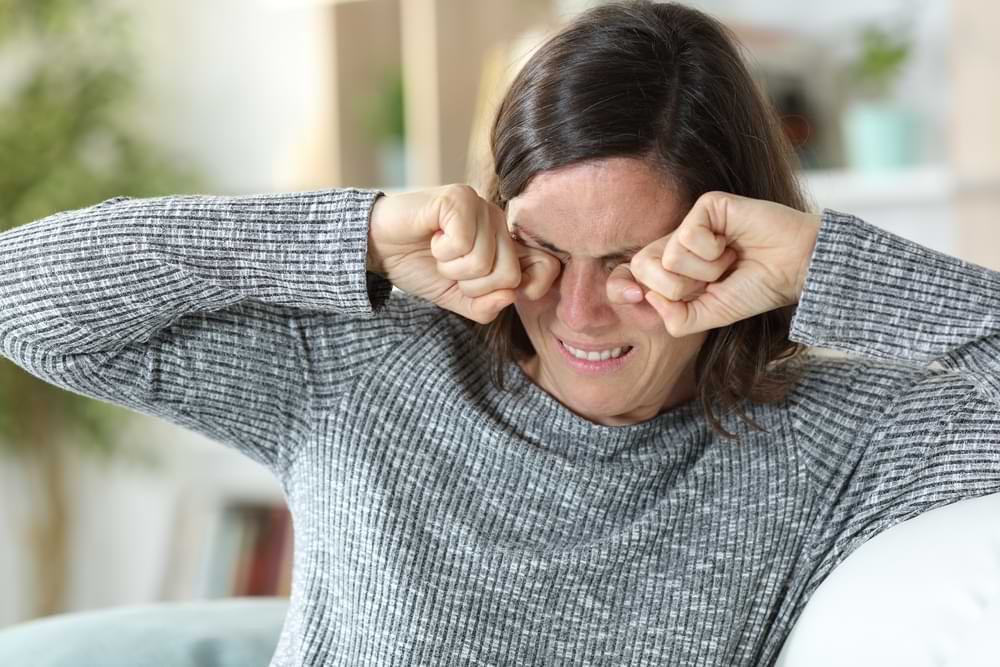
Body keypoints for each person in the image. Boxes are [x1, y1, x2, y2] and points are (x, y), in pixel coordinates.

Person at [0, 1, 997, 665]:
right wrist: (360, 233)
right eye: (545, 248)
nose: (577, 309)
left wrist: (824, 268)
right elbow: (25, 298)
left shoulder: (834, 442)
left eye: (630, 262)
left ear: (728, 241)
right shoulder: (365, 361)